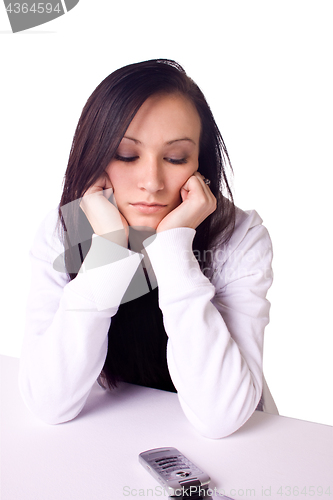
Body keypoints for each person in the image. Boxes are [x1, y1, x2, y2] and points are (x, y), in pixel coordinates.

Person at [19, 59, 276, 438]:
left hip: (236, 452)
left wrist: (174, 248)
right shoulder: (62, 231)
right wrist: (107, 251)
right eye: (126, 155)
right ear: (93, 157)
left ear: (201, 165)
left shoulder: (238, 235)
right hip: (109, 438)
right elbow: (49, 403)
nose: (151, 181)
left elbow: (222, 416)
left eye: (174, 158)